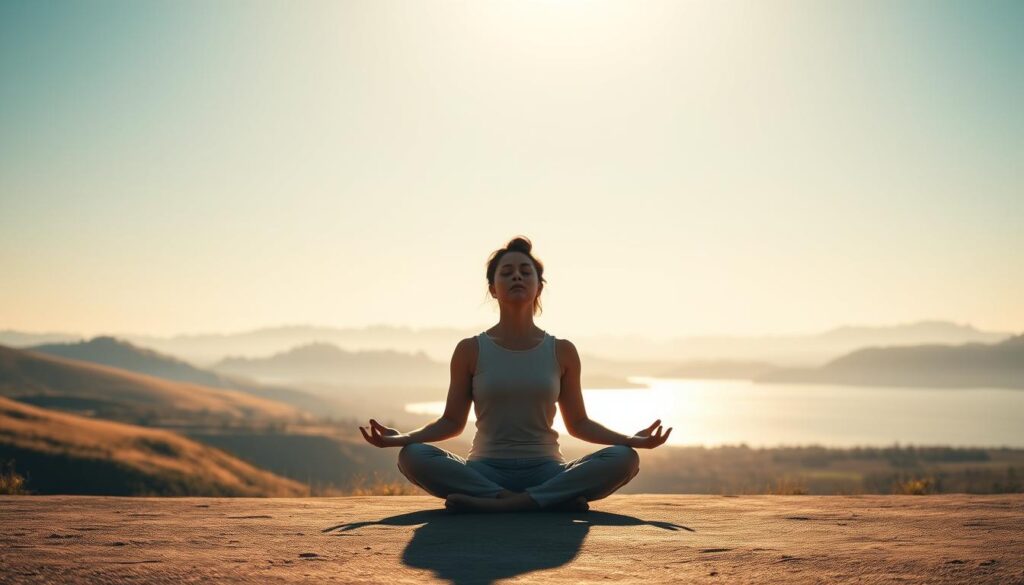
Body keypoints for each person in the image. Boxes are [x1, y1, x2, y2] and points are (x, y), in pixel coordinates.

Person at [359, 236, 671, 513]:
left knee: (624, 458)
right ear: (493, 289)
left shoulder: (561, 350)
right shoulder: (471, 349)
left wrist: (631, 439)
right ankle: (542, 500)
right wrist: (401, 439)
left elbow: (579, 423)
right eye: (506, 273)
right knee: (412, 456)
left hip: (548, 469)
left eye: (525, 271)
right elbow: (451, 423)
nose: (517, 276)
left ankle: (505, 503)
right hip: (484, 472)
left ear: (539, 286)